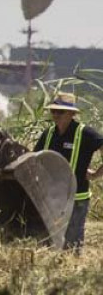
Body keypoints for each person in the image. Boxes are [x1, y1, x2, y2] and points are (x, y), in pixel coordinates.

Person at [34, 92, 103, 251]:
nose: (56, 115)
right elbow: (33, 159)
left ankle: (74, 273)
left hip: (76, 199)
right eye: (53, 111)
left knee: (72, 247)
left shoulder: (85, 133)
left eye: (61, 111)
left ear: (72, 114)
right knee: (47, 245)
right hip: (51, 199)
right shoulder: (48, 134)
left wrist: (96, 174)